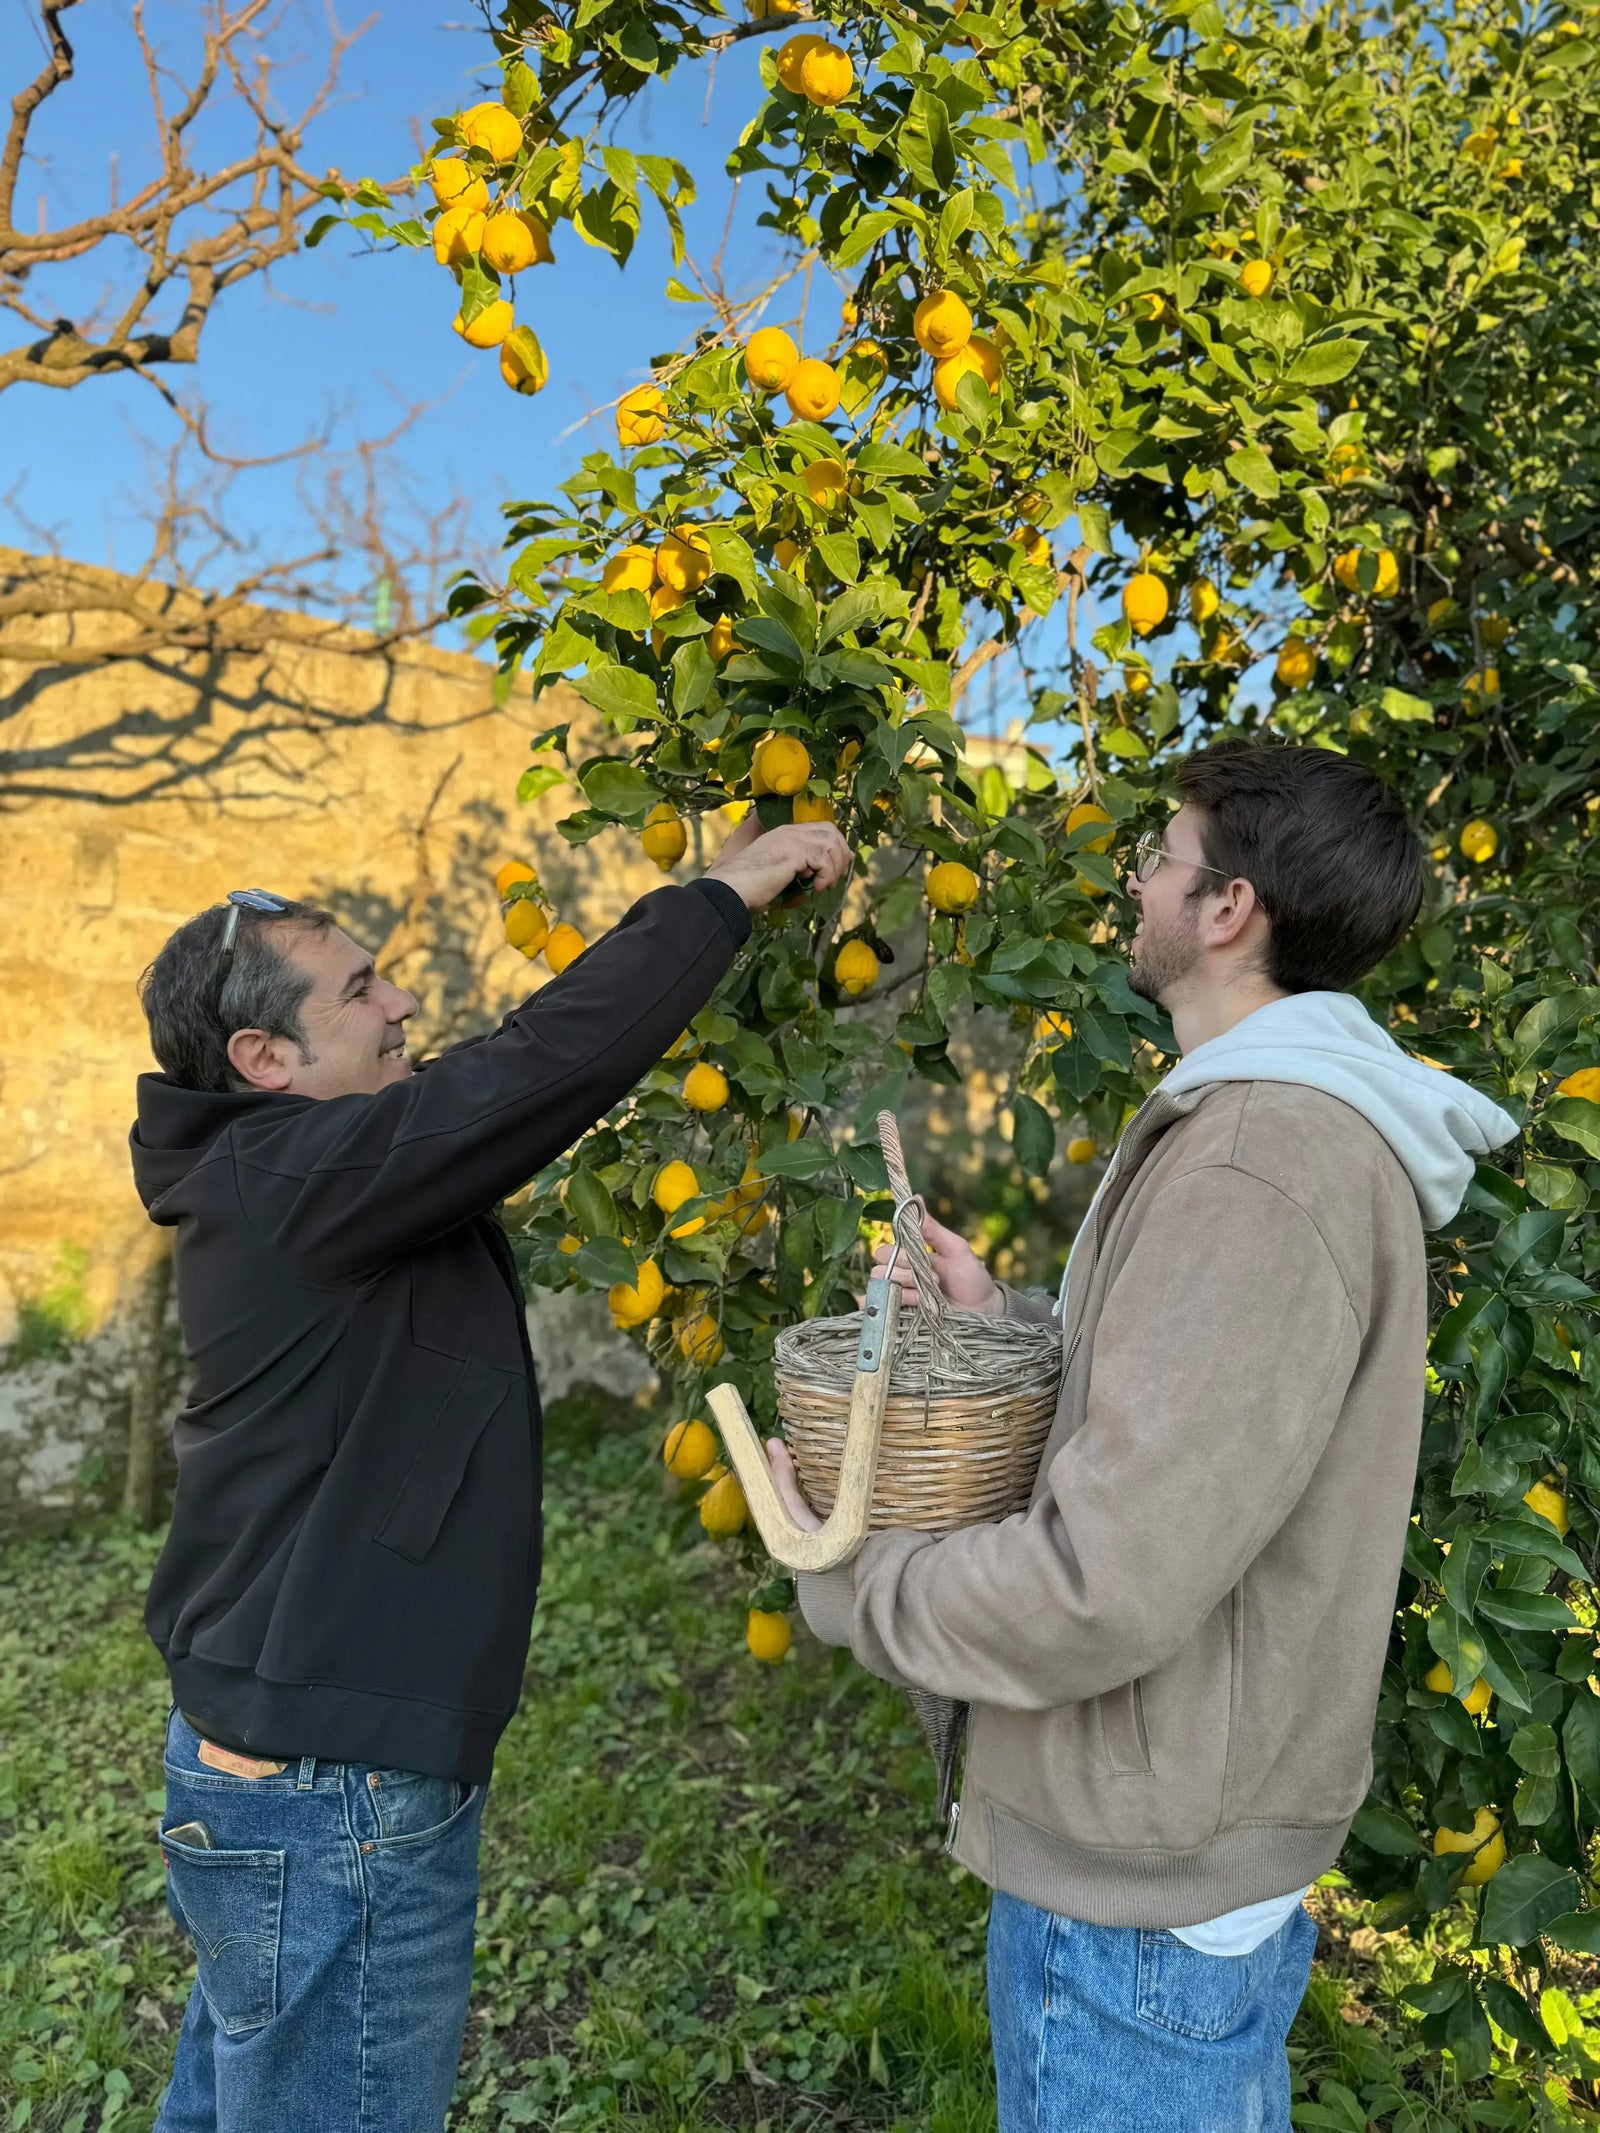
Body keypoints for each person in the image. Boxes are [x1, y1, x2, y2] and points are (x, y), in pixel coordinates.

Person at [768, 740, 1517, 2132]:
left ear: (1229, 909)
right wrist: (1007, 1318)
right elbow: (1196, 1424)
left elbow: (1101, 1581)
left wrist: (847, 1568)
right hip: (1181, 1848)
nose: (1137, 878)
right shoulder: (1264, 1130)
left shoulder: (1256, 1160)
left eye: (1162, 857)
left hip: (1138, 1893)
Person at [130, 815, 851, 2133]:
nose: (403, 999)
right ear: (263, 1057)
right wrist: (717, 901)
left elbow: (488, 1092)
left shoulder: (294, 1170)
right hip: (330, 1784)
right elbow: (529, 1073)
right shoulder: (297, 1174)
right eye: (361, 990)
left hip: (281, 1756)